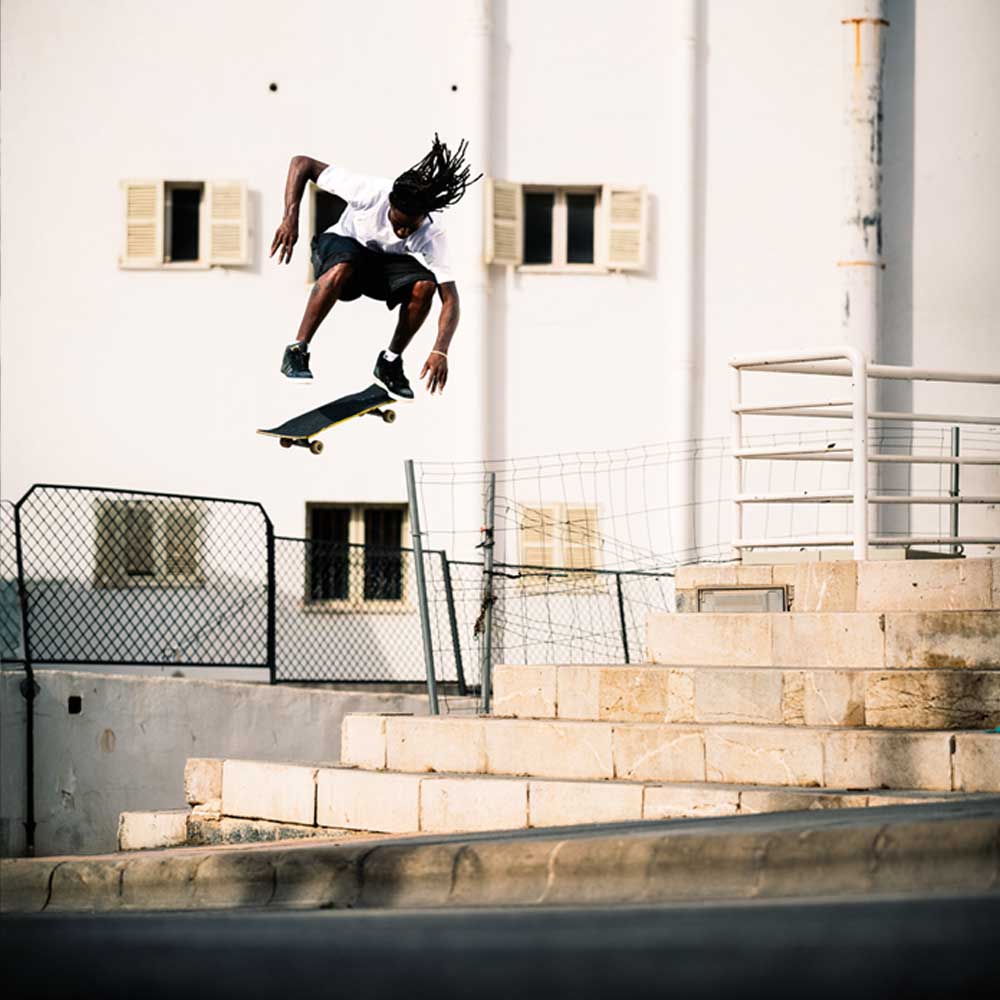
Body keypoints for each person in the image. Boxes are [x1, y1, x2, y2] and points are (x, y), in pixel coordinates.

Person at [270, 135, 480, 398]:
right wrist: (290, 218)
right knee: (345, 262)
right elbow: (302, 164)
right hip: (341, 248)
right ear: (389, 204)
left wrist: (441, 349)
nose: (402, 232)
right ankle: (297, 350)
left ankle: (390, 363)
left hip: (379, 267)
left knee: (425, 285)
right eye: (398, 222)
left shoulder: (432, 232)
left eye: (410, 226)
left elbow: (450, 298)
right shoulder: (369, 192)